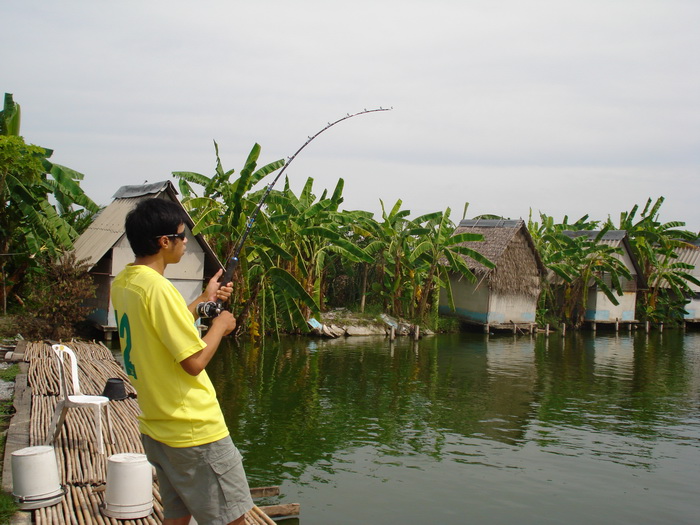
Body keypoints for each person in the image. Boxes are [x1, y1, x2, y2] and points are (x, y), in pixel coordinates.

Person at [111, 198, 253, 525]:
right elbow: (194, 361)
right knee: (233, 519)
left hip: (157, 427)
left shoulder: (126, 283)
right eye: (180, 235)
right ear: (164, 242)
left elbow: (166, 326)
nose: (185, 241)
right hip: (193, 431)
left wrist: (205, 299)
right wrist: (221, 325)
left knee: (177, 516)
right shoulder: (159, 289)